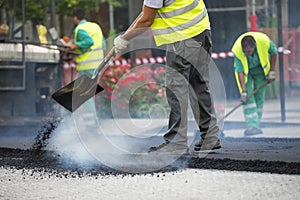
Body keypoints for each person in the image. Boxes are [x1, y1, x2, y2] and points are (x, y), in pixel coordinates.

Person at [114, 0, 221, 154]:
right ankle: (210, 137)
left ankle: (176, 143)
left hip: (181, 39)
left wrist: (125, 39)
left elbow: (146, 20)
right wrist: (125, 37)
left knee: (176, 90)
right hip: (202, 32)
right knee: (199, 85)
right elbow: (147, 13)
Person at [66, 8, 105, 130]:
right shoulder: (95, 26)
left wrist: (74, 46)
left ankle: (91, 126)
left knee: (83, 94)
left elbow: (88, 42)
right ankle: (88, 124)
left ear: (75, 18)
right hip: (97, 64)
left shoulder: (80, 29)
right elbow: (103, 44)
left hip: (86, 65)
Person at [231, 31, 277, 136]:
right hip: (246, 72)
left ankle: (256, 123)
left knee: (259, 96)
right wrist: (243, 91)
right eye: (245, 52)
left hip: (260, 71)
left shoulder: (264, 41)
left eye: (248, 52)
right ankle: (251, 125)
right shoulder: (238, 50)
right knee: (247, 97)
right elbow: (240, 71)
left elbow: (274, 52)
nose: (246, 54)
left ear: (254, 46)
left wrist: (272, 71)